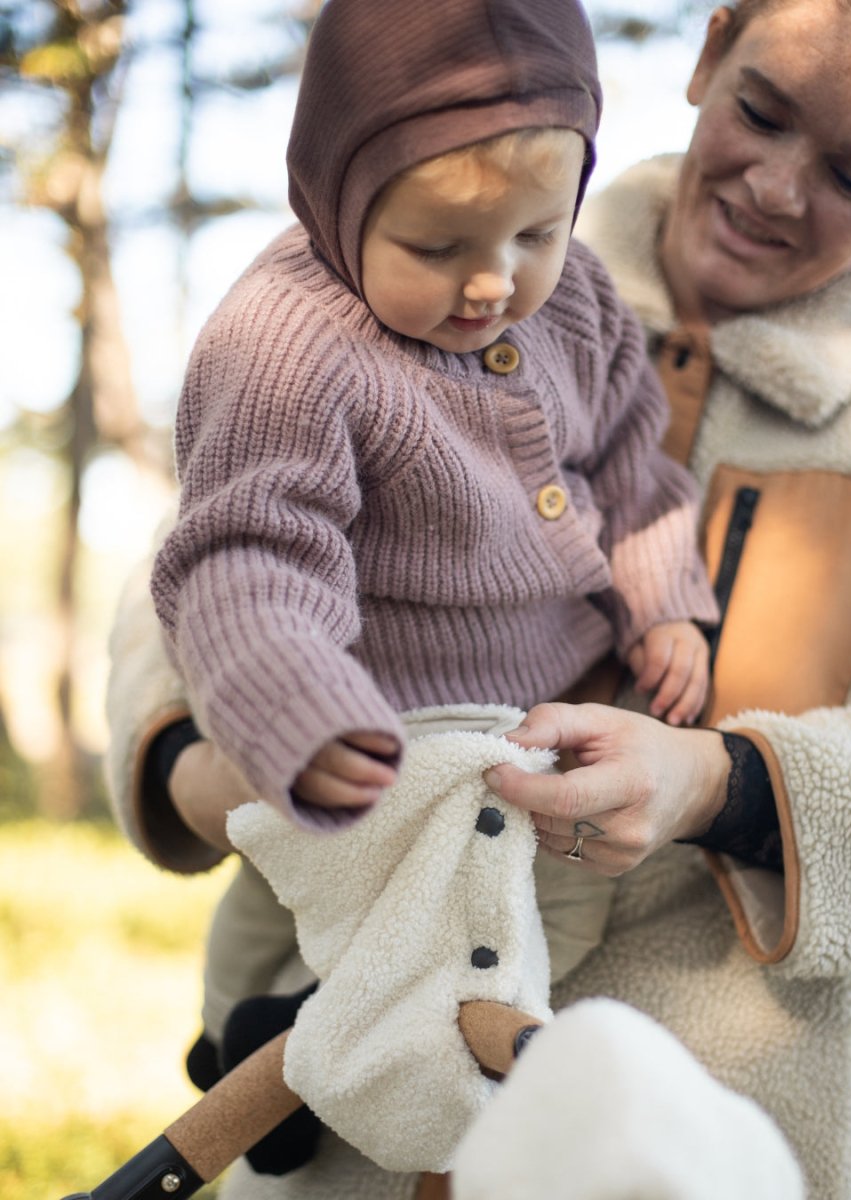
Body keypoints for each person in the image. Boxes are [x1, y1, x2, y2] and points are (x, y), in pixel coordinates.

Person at [104, 0, 851, 1195]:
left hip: (724, 1134)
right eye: (762, 113)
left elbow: (645, 497)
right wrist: (195, 756)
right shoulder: (413, 258)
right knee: (285, 955)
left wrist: (716, 778)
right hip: (358, 1083)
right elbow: (223, 542)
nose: (774, 186)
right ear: (710, 51)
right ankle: (271, 1052)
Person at [123, 0, 719, 1117]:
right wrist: (297, 706)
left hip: (534, 731)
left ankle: (372, 1069)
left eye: (536, 234)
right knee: (292, 901)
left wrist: (664, 604)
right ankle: (244, 1052)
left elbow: (635, 467)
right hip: (374, 728)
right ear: (339, 202)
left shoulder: (581, 301)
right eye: (438, 248)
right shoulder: (289, 340)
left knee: (525, 931)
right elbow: (252, 550)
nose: (494, 283)